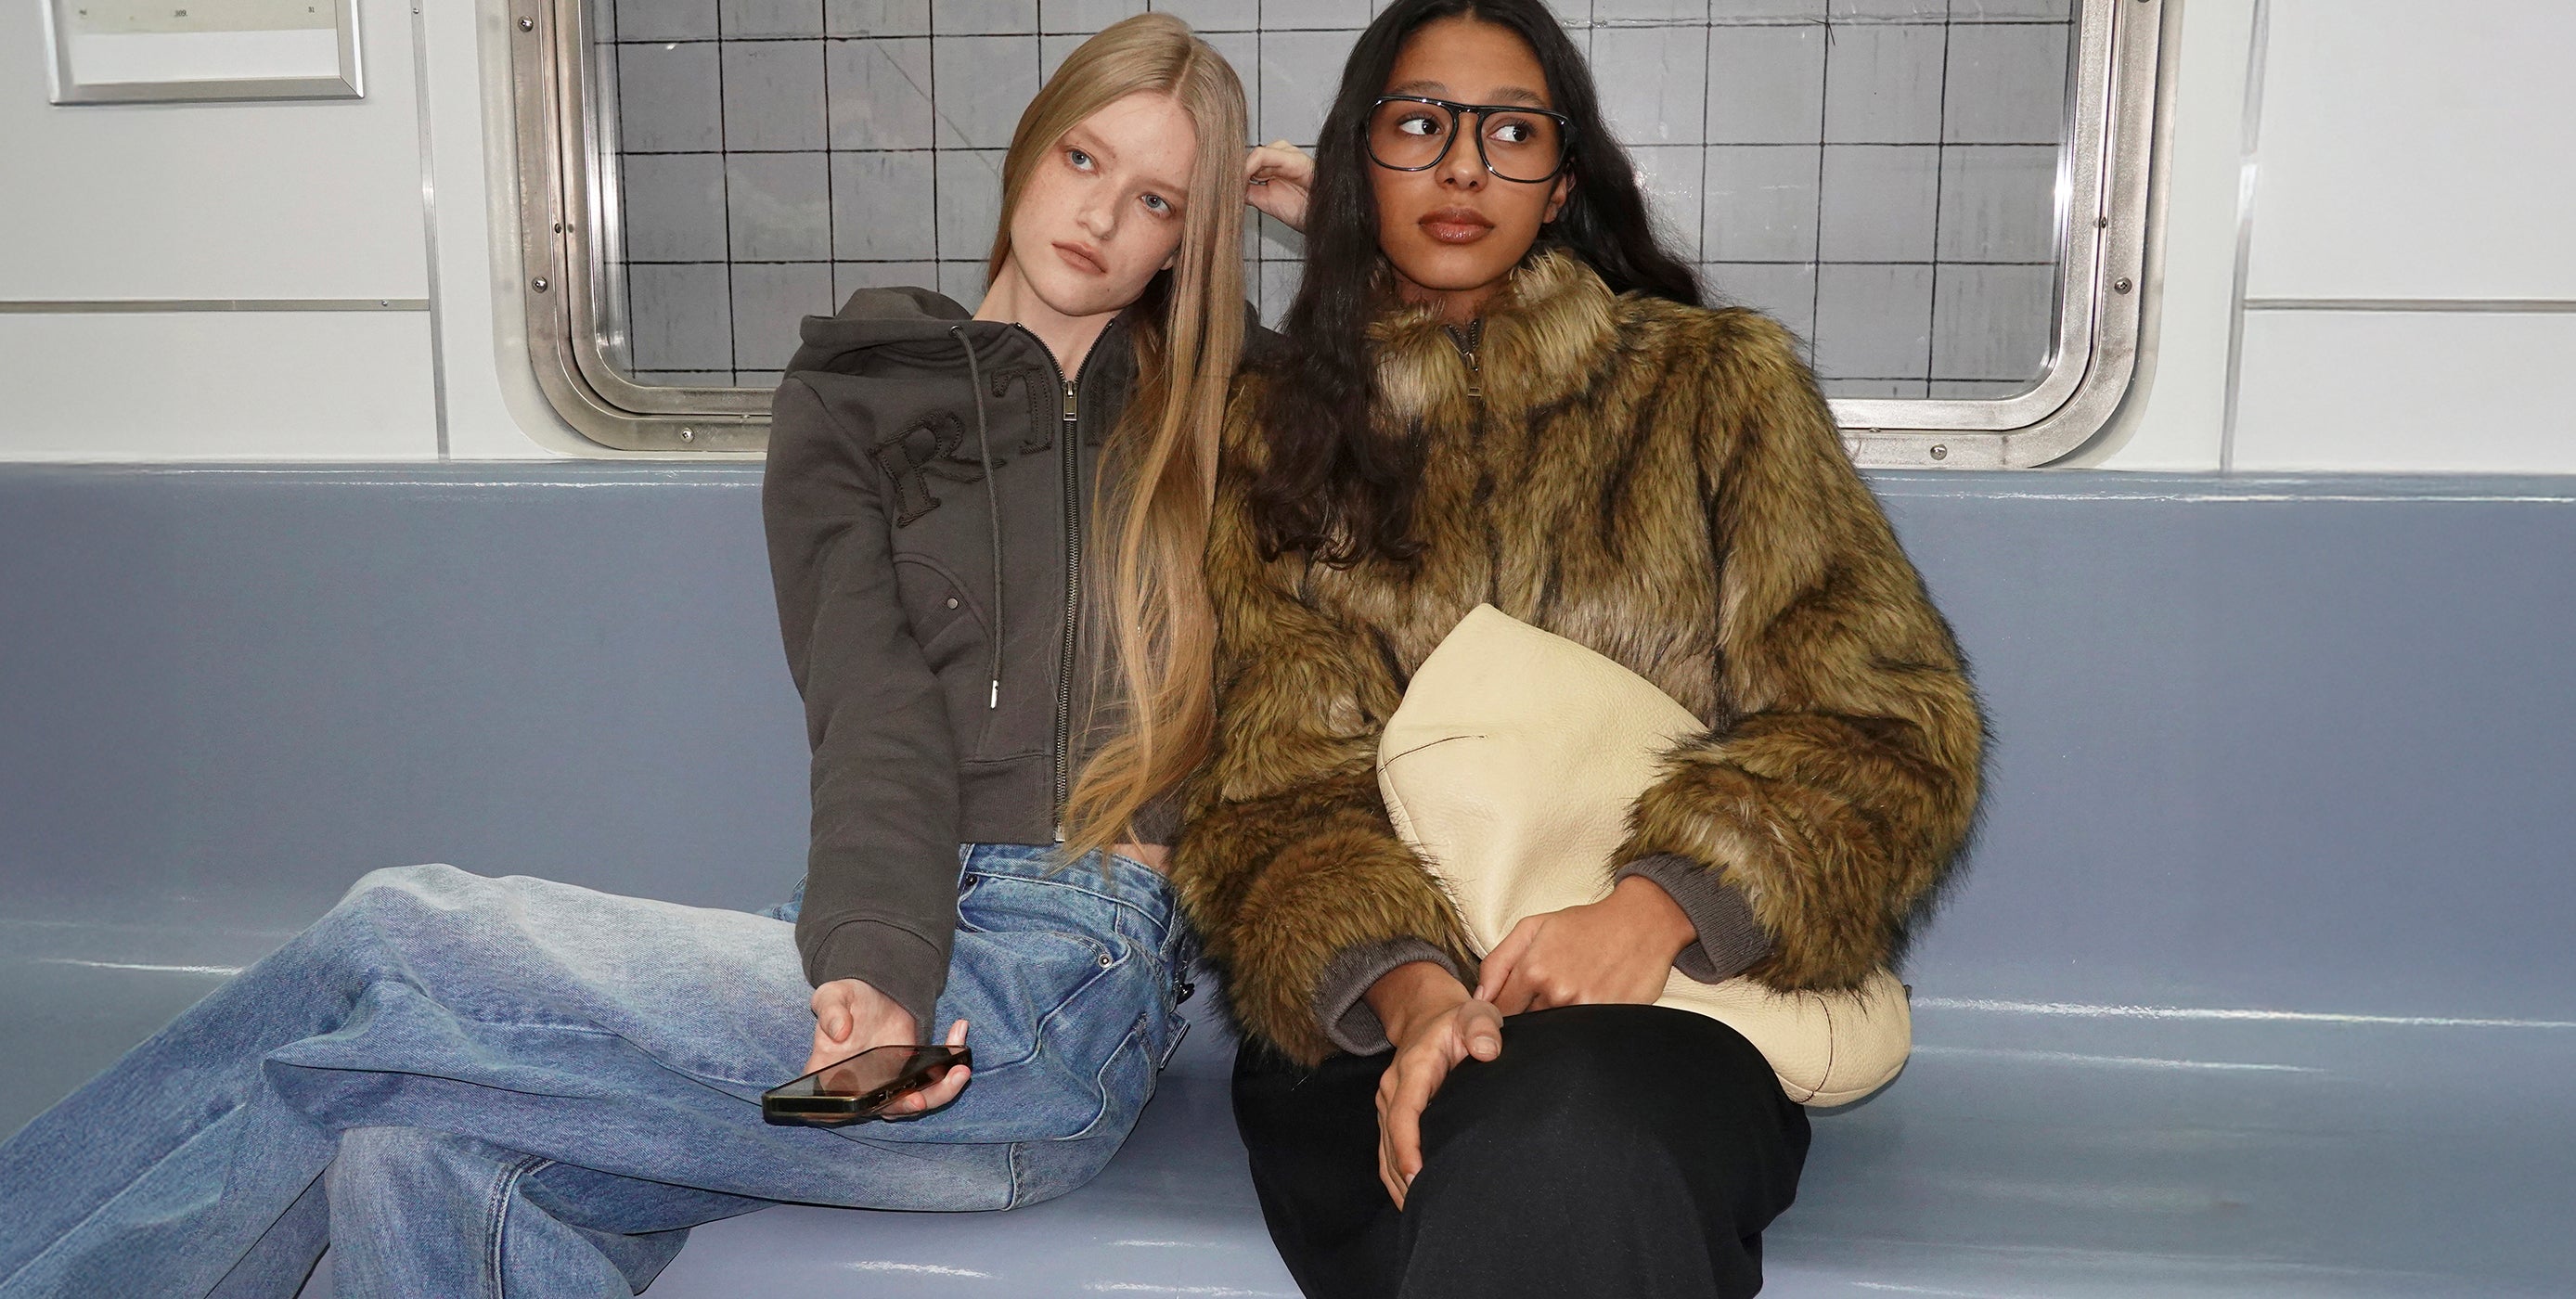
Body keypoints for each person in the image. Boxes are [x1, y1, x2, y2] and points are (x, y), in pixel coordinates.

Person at [0, 15, 1259, 1296]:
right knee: (411, 1158)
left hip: (1051, 991)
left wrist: (1348, 231)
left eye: (1157, 199)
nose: (1102, 215)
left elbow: (1388, 449)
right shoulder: (855, 394)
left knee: (393, 940)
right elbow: (870, 707)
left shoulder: (1226, 416)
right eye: (1084, 159)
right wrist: (874, 964)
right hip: (885, 931)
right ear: (1029, 149)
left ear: (1187, 242)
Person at [1168, 3, 1988, 1296]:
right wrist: (1417, 998)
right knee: (1505, 1163)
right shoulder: (1265, 434)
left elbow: (1884, 725)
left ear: (1560, 185)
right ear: (1355, 168)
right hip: (1370, 1026)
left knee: (1574, 1141)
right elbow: (1267, 799)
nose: (1462, 167)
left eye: (1511, 133)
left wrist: (1654, 909)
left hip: (1667, 1006)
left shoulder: (1716, 388)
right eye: (1418, 126)